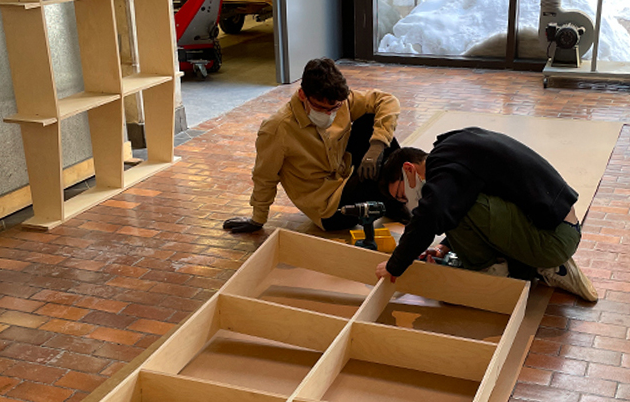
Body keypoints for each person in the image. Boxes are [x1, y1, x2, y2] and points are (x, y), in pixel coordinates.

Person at [373, 127, 598, 302]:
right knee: (455, 202)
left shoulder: (443, 169)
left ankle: (496, 272)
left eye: (402, 195)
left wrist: (395, 265)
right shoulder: (454, 150)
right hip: (558, 229)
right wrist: (446, 246)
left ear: (409, 169)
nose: (407, 202)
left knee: (447, 205)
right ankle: (543, 265)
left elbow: (430, 215)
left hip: (552, 239)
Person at [223, 58, 404, 233]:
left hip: (345, 177)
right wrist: (258, 219)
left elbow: (388, 101)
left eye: (334, 108)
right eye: (320, 108)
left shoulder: (341, 101)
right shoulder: (278, 128)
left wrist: (376, 147)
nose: (329, 114)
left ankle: (397, 203)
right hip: (331, 210)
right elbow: (265, 176)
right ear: (303, 95)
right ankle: (400, 200)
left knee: (371, 122)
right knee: (390, 168)